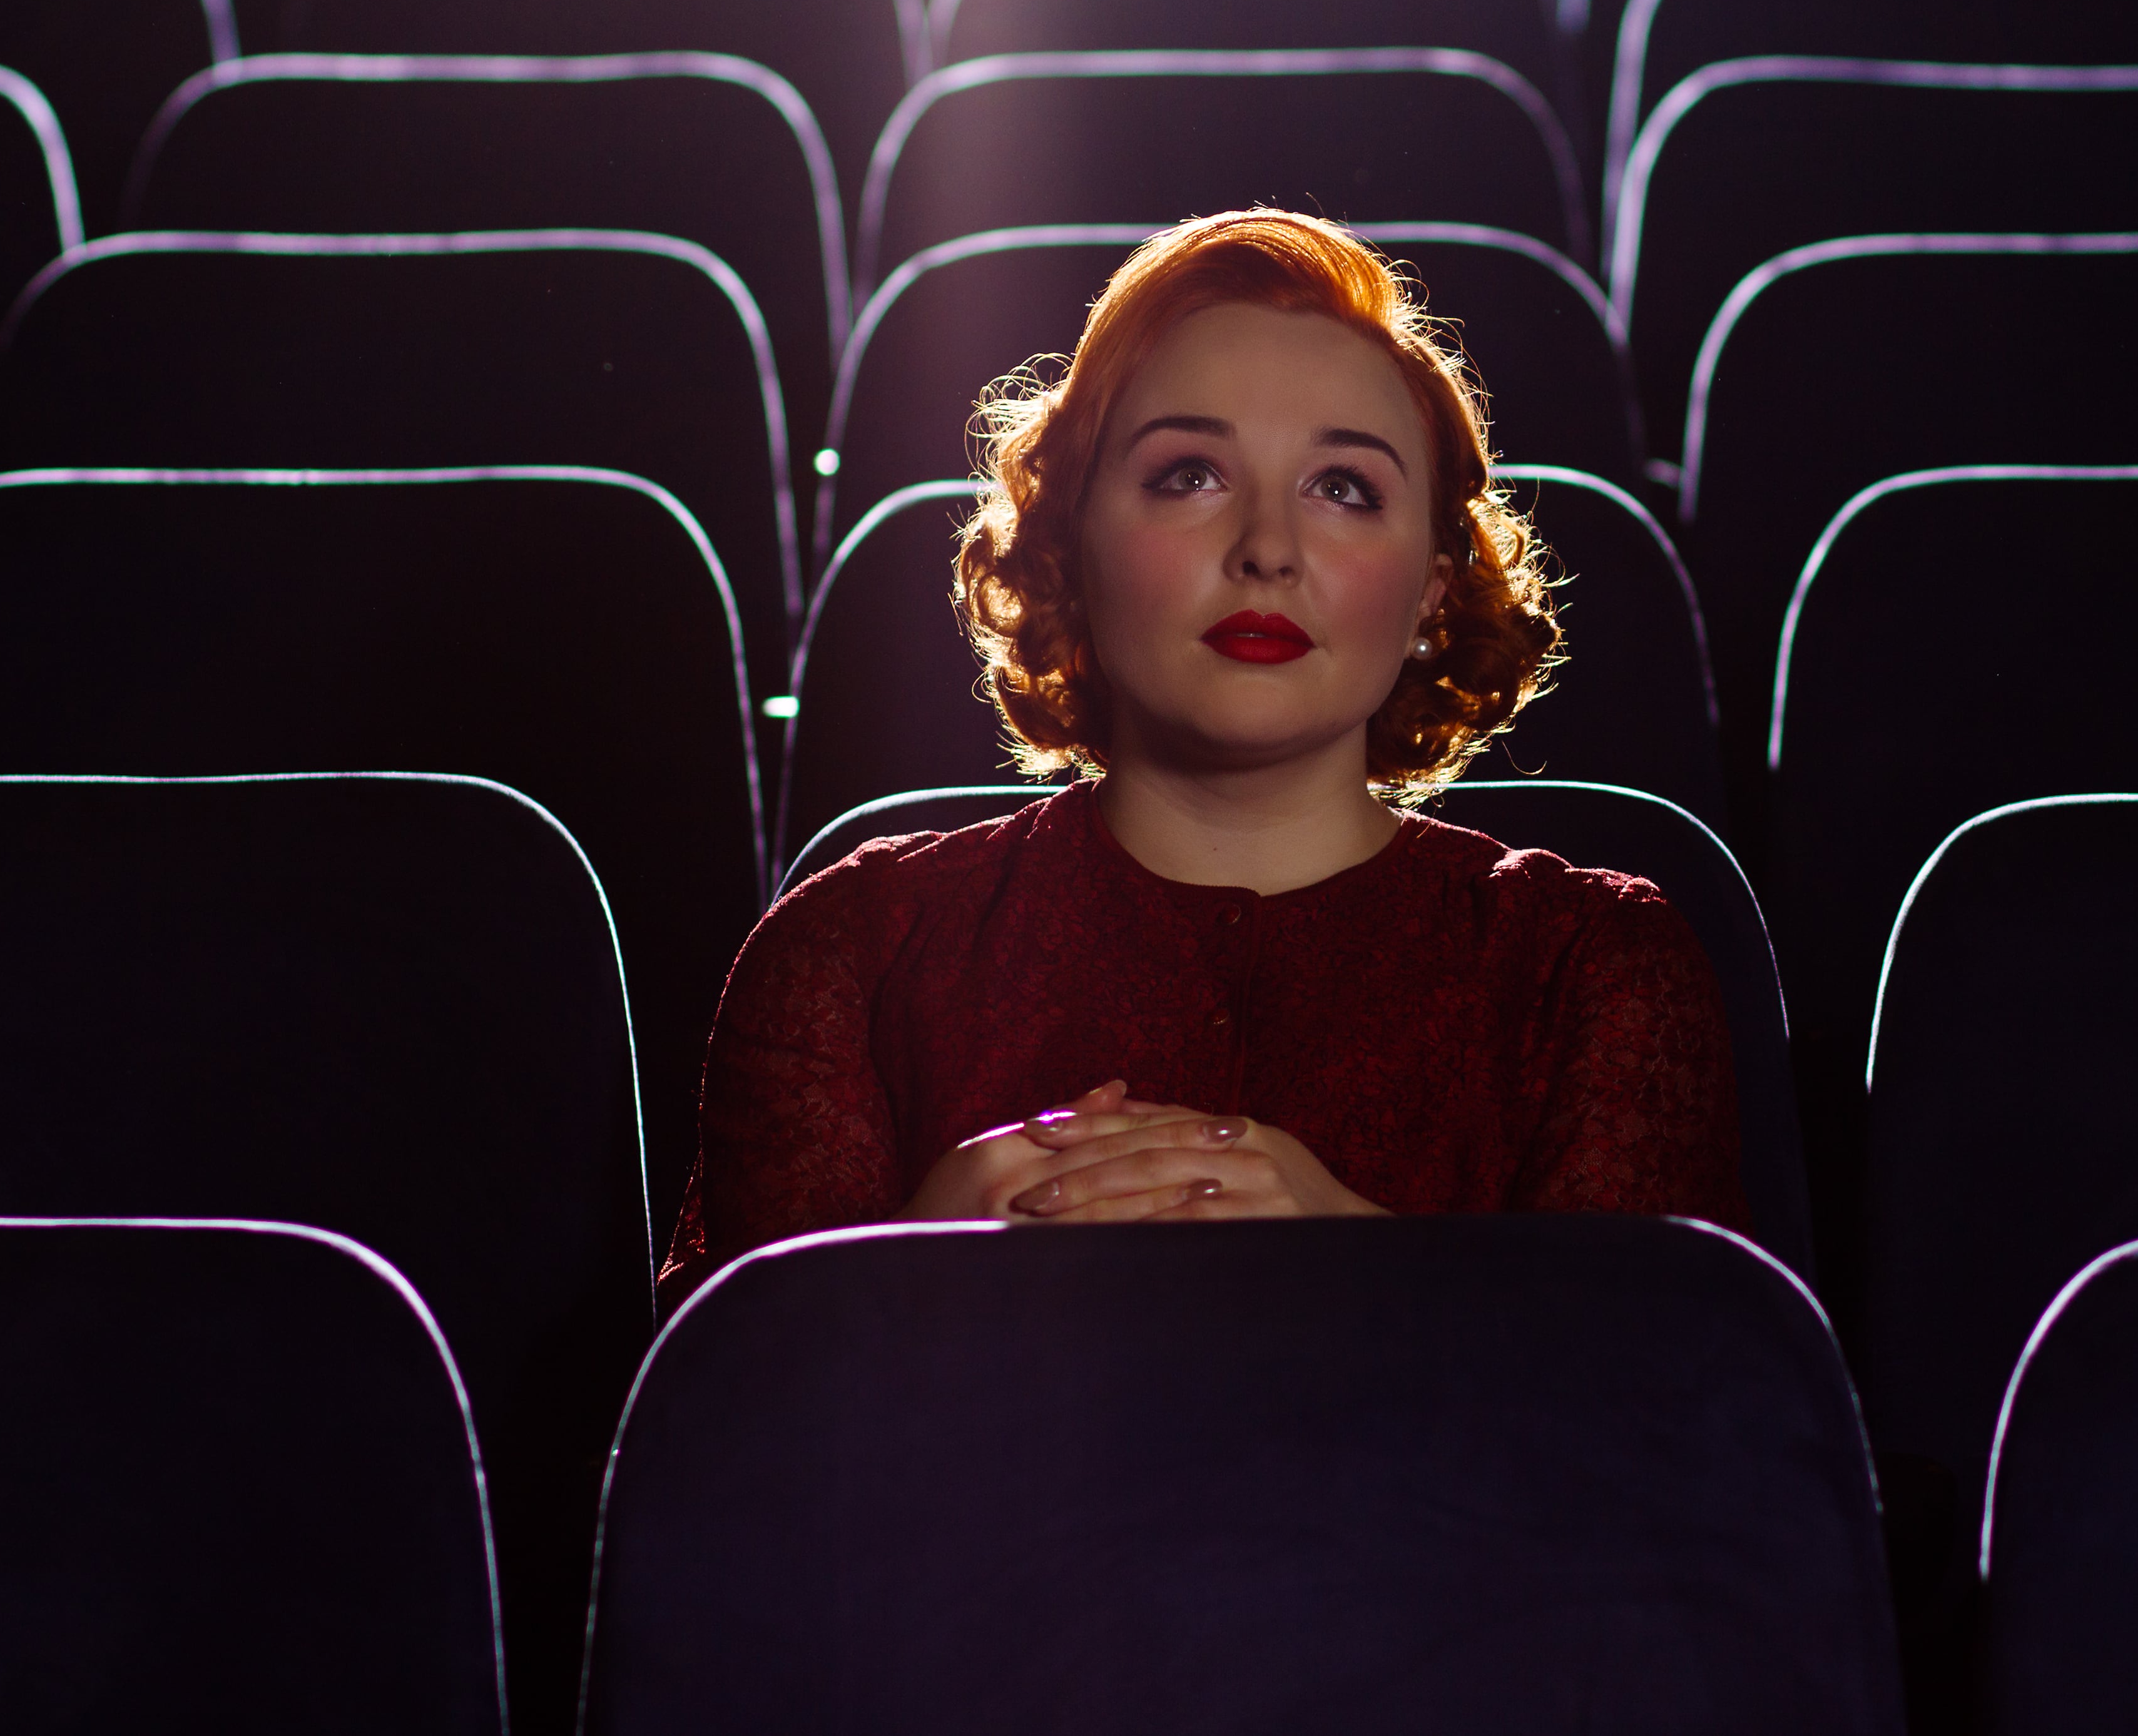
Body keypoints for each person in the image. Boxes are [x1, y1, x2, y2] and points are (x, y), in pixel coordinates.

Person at [658, 210, 1743, 1305]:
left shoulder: (1594, 970)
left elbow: (1665, 1448)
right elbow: (715, 1451)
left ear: (1431, 593)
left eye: (1344, 487)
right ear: (1068, 545)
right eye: (1190, 475)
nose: (1267, 547)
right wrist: (906, 1279)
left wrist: (1369, 1261)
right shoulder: (852, 952)